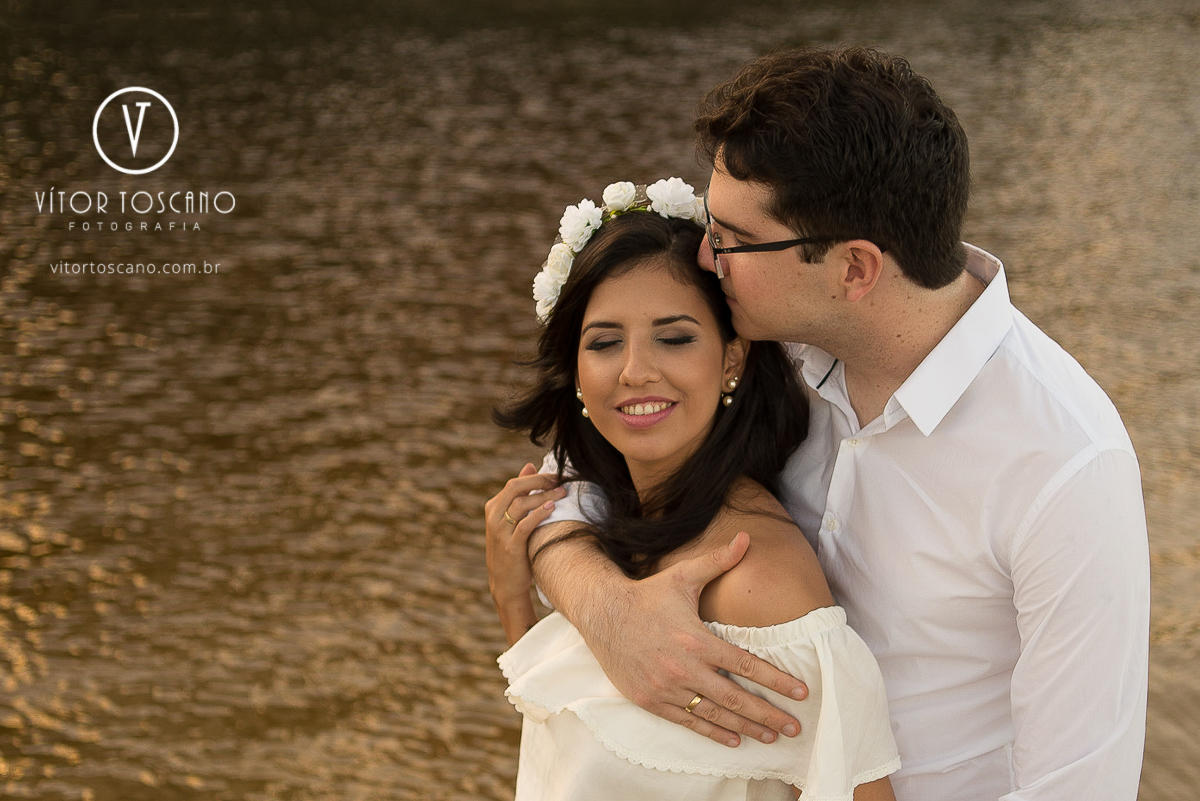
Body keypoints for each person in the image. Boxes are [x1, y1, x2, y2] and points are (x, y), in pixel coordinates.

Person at [485, 47, 1150, 801]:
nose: (706, 254)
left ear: (854, 269)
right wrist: (609, 612)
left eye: (733, 239)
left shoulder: (1065, 463)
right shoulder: (777, 337)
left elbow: (1077, 786)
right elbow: (581, 472)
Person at [486, 178, 900, 800]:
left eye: (674, 338)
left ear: (731, 359)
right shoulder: (600, 512)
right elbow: (564, 747)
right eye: (604, 343)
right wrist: (513, 596)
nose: (635, 371)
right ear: (575, 370)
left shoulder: (760, 589)